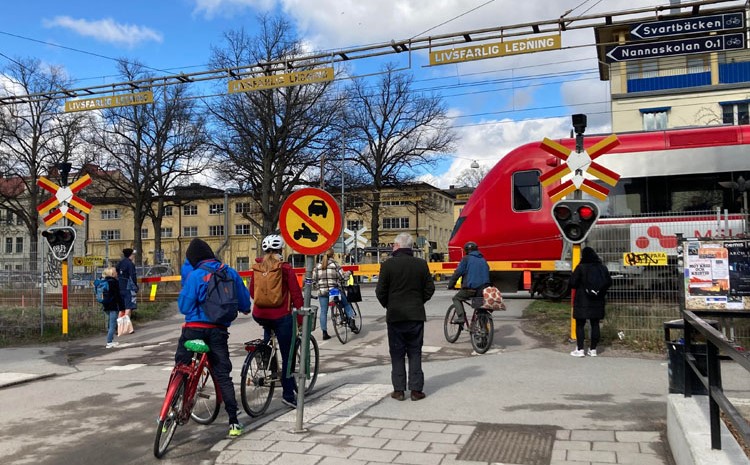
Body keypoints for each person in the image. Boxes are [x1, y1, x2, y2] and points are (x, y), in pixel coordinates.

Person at [176, 238, 251, 436]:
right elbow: (244, 301)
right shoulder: (230, 272)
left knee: (181, 367)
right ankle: (233, 422)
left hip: (194, 329)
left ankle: (174, 404)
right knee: (222, 374)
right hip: (218, 330)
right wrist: (244, 309)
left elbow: (184, 306)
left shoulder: (195, 275)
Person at [375, 233, 435, 402]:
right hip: (415, 315)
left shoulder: (387, 265)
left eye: (393, 245)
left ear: (397, 246)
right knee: (415, 352)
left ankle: (399, 390)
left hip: (395, 315)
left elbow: (380, 291)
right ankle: (416, 390)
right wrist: (418, 302)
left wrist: (389, 305)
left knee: (397, 352)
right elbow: (430, 289)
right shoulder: (421, 264)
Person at [249, 234, 304, 408]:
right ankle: (288, 394)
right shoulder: (285, 268)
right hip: (281, 316)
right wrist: (301, 318)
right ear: (281, 250)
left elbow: (252, 293)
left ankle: (267, 360)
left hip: (259, 314)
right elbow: (296, 294)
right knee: (288, 355)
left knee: (269, 341)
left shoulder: (257, 267)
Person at [568, 246, 612, 357]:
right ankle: (593, 350)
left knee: (580, 325)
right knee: (595, 324)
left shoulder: (581, 267)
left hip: (582, 301)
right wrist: (598, 291)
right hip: (598, 300)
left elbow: (572, 283)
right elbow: (609, 282)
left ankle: (580, 349)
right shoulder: (602, 268)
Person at [313, 248, 356, 340]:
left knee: (323, 311)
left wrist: (319, 287)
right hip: (334, 290)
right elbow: (342, 277)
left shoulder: (318, 266)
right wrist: (349, 273)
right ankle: (352, 321)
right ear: (333, 255)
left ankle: (324, 333)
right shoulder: (335, 265)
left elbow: (314, 279)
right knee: (346, 304)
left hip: (322, 291)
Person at [447, 241, 491, 324]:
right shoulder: (483, 259)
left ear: (466, 251)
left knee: (456, 298)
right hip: (483, 290)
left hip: (471, 289)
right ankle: (483, 330)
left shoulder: (466, 259)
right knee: (479, 308)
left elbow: (458, 272)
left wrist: (451, 284)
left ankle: (461, 317)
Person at [100, 267, 124, 348]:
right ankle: (109, 342)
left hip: (105, 305)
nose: (117, 273)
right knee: (112, 325)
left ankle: (110, 340)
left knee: (109, 324)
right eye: (115, 272)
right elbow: (118, 296)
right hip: (113, 306)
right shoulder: (114, 282)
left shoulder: (104, 281)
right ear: (112, 274)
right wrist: (122, 307)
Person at [115, 248, 138, 325]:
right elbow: (133, 276)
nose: (134, 256)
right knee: (129, 307)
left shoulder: (120, 263)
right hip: (128, 288)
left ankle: (119, 325)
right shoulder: (130, 264)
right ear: (130, 255)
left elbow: (116, 273)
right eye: (133, 254)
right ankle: (127, 325)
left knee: (121, 308)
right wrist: (135, 286)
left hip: (119, 287)